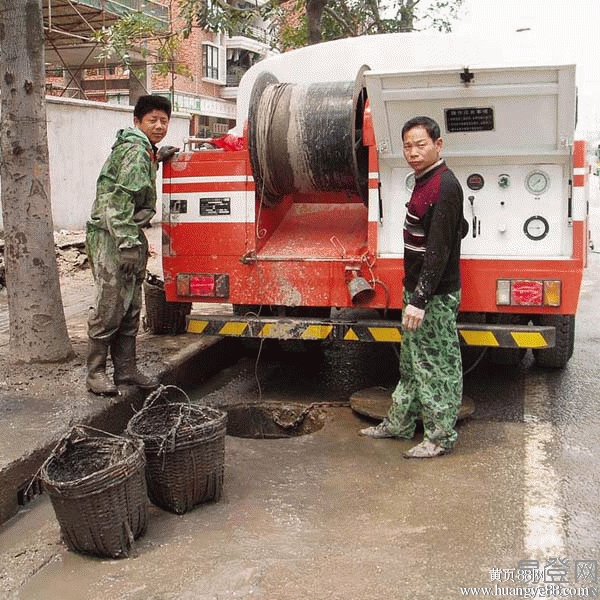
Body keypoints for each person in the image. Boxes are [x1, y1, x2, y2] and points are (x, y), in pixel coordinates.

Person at [360, 116, 466, 458]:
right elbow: (457, 228)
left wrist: (419, 300)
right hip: (418, 290)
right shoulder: (426, 181)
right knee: (411, 363)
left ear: (438, 145)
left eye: (421, 145)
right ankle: (399, 423)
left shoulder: (443, 186)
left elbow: (438, 251)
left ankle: (439, 437)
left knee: (437, 367)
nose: (413, 152)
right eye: (407, 146)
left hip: (432, 297)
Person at [85, 94, 178, 395]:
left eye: (164, 120)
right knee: (110, 306)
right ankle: (96, 373)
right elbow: (117, 200)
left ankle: (125, 371)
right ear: (137, 121)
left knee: (130, 307)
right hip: (114, 236)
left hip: (126, 234)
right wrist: (126, 243)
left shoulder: (144, 151)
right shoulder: (136, 151)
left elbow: (134, 187)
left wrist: (158, 157)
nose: (160, 125)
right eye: (153, 120)